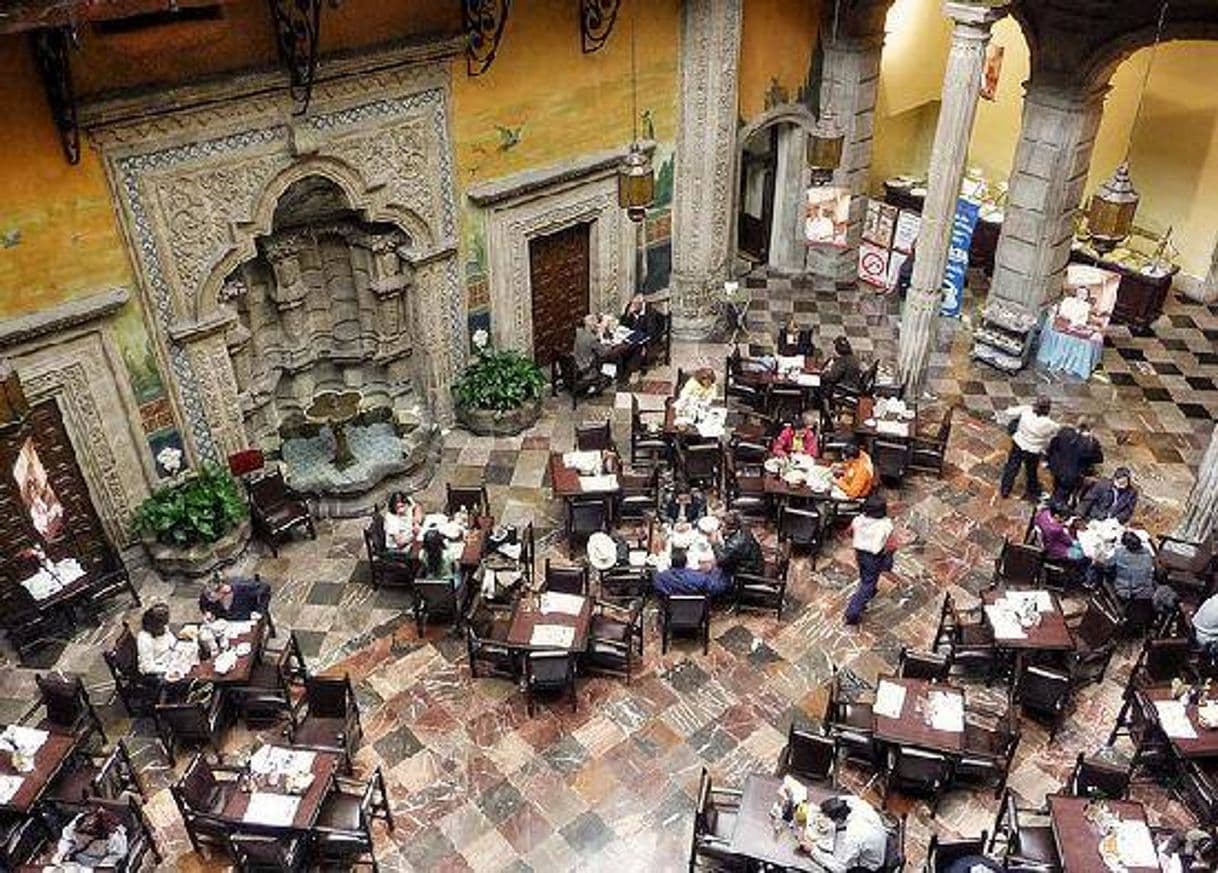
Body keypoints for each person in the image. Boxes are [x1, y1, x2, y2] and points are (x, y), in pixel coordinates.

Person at [802, 795, 888, 872]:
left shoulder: (853, 836)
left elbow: (840, 868)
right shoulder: (852, 801)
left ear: (838, 820)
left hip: (869, 867)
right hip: (876, 842)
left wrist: (813, 850)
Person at [844, 496, 894, 625]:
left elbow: (849, 532)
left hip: (860, 553)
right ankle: (853, 612)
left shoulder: (858, 520)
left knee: (865, 575)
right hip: (874, 556)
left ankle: (869, 592)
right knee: (869, 582)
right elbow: (890, 544)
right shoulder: (886, 524)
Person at [998, 398, 1060, 500]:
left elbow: (1010, 412)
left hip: (1019, 443)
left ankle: (1005, 489)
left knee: (1012, 467)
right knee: (1031, 470)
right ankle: (1032, 490)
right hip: (1033, 450)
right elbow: (1058, 430)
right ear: (1048, 409)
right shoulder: (1050, 424)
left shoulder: (1026, 411)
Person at [1045, 418, 1104, 503]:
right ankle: (1055, 508)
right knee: (1063, 495)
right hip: (1072, 474)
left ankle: (1054, 499)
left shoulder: (1064, 432)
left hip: (1057, 468)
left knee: (1057, 486)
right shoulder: (1091, 443)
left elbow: (1052, 446)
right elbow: (1098, 459)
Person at [653, 548, 730, 597]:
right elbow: (717, 588)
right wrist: (716, 570)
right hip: (695, 614)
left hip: (671, 614)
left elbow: (660, 593)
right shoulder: (699, 578)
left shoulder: (660, 578)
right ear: (686, 562)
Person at [713, 512, 762, 581]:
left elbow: (721, 560)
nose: (719, 529)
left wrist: (714, 543)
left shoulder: (737, 542)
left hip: (747, 573)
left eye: (720, 526)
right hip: (750, 566)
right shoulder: (742, 530)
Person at [198, 574, 271, 621]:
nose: (209, 599)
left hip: (245, 620)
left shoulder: (242, 588)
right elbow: (203, 604)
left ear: (222, 589)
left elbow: (265, 588)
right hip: (225, 625)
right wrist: (207, 613)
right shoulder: (207, 596)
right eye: (207, 595)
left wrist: (260, 611)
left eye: (211, 596)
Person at [1110, 531, 1155, 602]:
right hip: (1147, 591)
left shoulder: (1120, 553)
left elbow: (1108, 566)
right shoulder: (1147, 551)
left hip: (1127, 592)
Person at [136, 603, 178, 676]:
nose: (165, 627)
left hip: (170, 660)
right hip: (157, 671)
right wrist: (169, 669)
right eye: (162, 625)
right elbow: (148, 668)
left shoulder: (164, 628)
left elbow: (173, 643)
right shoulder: (145, 640)